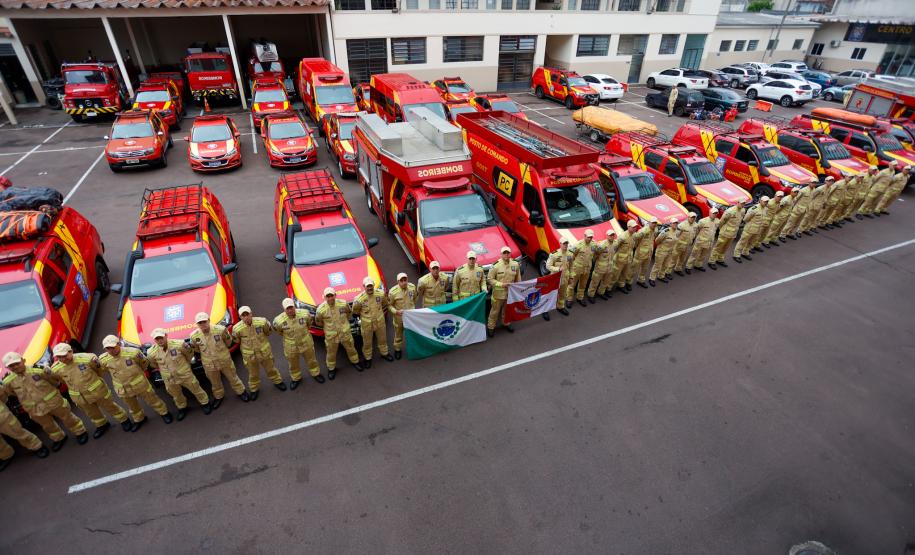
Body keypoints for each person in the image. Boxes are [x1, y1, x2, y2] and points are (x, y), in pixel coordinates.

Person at [1, 352, 88, 450]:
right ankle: (58, 438)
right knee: (47, 425)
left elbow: (55, 381)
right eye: (11, 366)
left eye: (17, 363)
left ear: (23, 360)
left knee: (67, 417)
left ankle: (80, 431)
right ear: (8, 368)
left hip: (53, 402)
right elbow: (11, 393)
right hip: (34, 409)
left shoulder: (39, 370)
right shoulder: (7, 381)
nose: (15, 367)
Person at [49, 343, 132, 438]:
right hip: (80, 396)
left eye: (64, 356)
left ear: (71, 351)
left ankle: (123, 420)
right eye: (59, 357)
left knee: (110, 406)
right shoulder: (55, 369)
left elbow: (99, 371)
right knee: (92, 413)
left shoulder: (88, 359)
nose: (62, 359)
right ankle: (102, 424)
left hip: (97, 391)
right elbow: (61, 380)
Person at [98, 335, 173, 428]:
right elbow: (104, 370)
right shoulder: (103, 359)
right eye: (107, 348)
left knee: (153, 400)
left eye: (112, 347)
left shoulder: (133, 352)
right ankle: (139, 419)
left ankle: (164, 413)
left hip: (140, 384)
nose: (110, 350)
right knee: (132, 406)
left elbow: (144, 364)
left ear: (118, 344)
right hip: (123, 388)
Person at [147, 328, 211, 419]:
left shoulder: (179, 344)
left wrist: (185, 366)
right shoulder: (151, 352)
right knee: (176, 395)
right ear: (154, 340)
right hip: (169, 378)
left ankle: (205, 403)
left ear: (166, 336)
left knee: (196, 388)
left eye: (161, 337)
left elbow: (189, 354)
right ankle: (182, 407)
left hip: (184, 374)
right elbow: (154, 364)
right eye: (157, 339)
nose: (160, 340)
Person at [191, 313, 248, 405]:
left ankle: (241, 392)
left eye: (204, 322)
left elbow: (228, 342)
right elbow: (196, 349)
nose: (203, 325)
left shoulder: (220, 330)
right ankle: (219, 396)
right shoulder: (194, 336)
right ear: (197, 324)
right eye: (200, 323)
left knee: (233, 377)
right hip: (209, 364)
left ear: (209, 320)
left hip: (224, 360)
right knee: (215, 382)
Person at [231, 306, 287, 400]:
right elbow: (236, 341)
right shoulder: (237, 329)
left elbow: (268, 332)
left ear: (251, 314)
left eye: (247, 314)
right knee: (253, 374)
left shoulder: (262, 322)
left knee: (271, 369)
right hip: (250, 356)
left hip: (264, 352)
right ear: (240, 317)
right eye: (243, 315)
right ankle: (254, 389)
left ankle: (278, 381)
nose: (246, 317)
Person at [273, 299, 324, 386]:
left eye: (291, 307)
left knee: (311, 360)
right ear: (283, 309)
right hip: (291, 346)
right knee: (293, 363)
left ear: (294, 306)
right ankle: (296, 378)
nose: (290, 310)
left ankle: (315, 373)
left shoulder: (304, 314)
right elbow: (279, 332)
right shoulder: (278, 321)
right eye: (287, 308)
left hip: (306, 342)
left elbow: (309, 324)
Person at [315, 288, 363, 379]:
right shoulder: (320, 310)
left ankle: (355, 361)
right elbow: (319, 322)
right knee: (331, 353)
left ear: (335, 295)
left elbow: (349, 313)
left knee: (351, 348)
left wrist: (344, 325)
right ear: (324, 297)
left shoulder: (343, 303)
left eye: (331, 296)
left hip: (345, 333)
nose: (330, 298)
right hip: (331, 336)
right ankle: (331, 369)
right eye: (327, 296)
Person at [0, 393, 49, 471]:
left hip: (2, 417)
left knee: (17, 432)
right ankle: (6, 455)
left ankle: (37, 446)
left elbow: (3, 394)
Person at [352, 277, 393, 367]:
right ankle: (368, 358)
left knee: (382, 339)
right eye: (367, 286)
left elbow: (385, 303)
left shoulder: (381, 294)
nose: (370, 288)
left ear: (374, 285)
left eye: (371, 286)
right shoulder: (359, 299)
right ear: (364, 287)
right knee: (367, 342)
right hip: (367, 324)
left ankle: (384, 353)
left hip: (379, 321)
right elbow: (355, 312)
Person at [487, 246, 522, 335]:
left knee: (507, 310)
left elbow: (518, 279)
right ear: (501, 254)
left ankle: (506, 323)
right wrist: (501, 284)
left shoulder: (515, 264)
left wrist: (519, 290)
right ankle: (491, 327)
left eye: (508, 253)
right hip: (497, 294)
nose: (506, 255)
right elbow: (490, 279)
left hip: (510, 294)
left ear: (510, 254)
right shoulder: (495, 266)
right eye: (504, 253)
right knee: (494, 311)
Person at [388, 273, 417, 359]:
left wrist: (412, 308)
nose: (404, 282)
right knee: (398, 334)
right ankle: (397, 349)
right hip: (399, 318)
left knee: (412, 333)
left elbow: (415, 298)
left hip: (411, 317)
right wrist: (396, 311)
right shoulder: (393, 292)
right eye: (402, 281)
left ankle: (413, 348)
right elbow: (389, 305)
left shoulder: (412, 287)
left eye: (405, 280)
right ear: (398, 282)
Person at [710, 200, 746, 267]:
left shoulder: (743, 210)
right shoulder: (730, 211)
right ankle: (712, 261)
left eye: (744, 204)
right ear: (737, 203)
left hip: (733, 233)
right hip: (725, 232)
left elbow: (740, 220)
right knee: (718, 247)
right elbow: (722, 222)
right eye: (741, 203)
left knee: (725, 247)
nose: (742, 205)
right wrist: (722, 229)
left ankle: (720, 259)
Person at [546, 237, 575, 316]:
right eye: (564, 243)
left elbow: (572, 266)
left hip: (565, 278)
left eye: (566, 243)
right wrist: (558, 269)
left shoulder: (570, 254)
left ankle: (560, 306)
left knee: (562, 293)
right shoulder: (554, 254)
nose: (565, 245)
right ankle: (545, 310)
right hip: (555, 278)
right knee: (551, 294)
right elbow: (548, 266)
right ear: (560, 244)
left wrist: (571, 277)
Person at [587, 229, 617, 302]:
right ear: (607, 236)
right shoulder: (601, 245)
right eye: (610, 235)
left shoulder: (615, 244)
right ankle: (591, 295)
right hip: (600, 268)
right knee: (594, 282)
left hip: (609, 267)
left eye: (613, 235)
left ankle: (601, 292)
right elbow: (595, 255)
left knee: (605, 282)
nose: (612, 236)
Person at [733, 196, 767, 262]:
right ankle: (736, 255)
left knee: (751, 242)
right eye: (765, 201)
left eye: (767, 202)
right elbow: (746, 219)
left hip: (757, 230)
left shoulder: (765, 209)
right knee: (742, 242)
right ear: (760, 201)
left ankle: (745, 253)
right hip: (749, 229)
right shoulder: (754, 209)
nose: (766, 203)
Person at [568, 230, 597, 306]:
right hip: (577, 268)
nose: (590, 239)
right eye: (588, 237)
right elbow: (571, 256)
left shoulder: (594, 244)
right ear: (584, 236)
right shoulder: (578, 245)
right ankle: (569, 299)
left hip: (587, 269)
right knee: (572, 285)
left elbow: (595, 254)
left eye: (591, 237)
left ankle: (580, 298)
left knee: (583, 284)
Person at [649, 217, 679, 285]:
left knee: (665, 265)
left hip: (670, 252)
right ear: (670, 224)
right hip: (661, 251)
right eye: (674, 223)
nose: (675, 224)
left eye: (676, 223)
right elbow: (657, 241)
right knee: (657, 265)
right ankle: (652, 278)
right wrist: (662, 248)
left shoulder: (677, 231)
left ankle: (661, 276)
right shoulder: (666, 231)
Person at [629, 218, 657, 288]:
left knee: (645, 268)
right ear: (649, 223)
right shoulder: (643, 231)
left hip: (649, 254)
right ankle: (628, 282)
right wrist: (636, 248)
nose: (654, 224)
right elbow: (636, 239)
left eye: (655, 223)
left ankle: (641, 280)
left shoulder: (655, 230)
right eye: (653, 223)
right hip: (640, 253)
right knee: (634, 269)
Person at [609, 220, 637, 293]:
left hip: (628, 259)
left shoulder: (634, 235)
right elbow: (615, 247)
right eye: (633, 227)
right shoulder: (622, 236)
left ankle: (621, 285)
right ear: (628, 227)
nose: (635, 228)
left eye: (635, 227)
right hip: (619, 260)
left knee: (625, 273)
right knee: (615, 274)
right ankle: (608, 288)